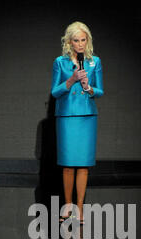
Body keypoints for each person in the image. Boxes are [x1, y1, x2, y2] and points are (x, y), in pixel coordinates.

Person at [51, 21, 104, 224]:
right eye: (76, 40)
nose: (80, 44)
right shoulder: (60, 62)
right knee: (67, 165)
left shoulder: (94, 61)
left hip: (86, 117)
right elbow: (55, 92)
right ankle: (67, 206)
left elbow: (100, 91)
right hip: (66, 117)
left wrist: (89, 88)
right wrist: (71, 80)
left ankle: (80, 209)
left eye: (83, 40)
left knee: (83, 165)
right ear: (69, 42)